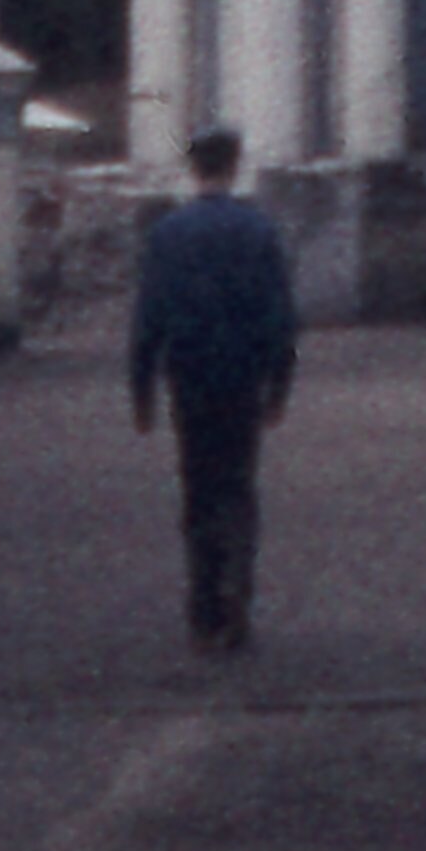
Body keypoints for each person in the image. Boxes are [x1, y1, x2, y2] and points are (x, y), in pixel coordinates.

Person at [131, 127, 297, 652]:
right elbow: (281, 315)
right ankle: (237, 589)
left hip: (189, 375)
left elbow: (149, 315)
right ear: (234, 165)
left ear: (192, 168)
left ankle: (204, 607)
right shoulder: (258, 229)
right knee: (239, 486)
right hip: (242, 376)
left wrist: (142, 390)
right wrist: (280, 385)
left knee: (198, 487)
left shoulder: (167, 233)